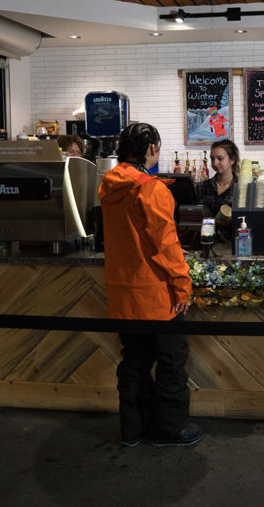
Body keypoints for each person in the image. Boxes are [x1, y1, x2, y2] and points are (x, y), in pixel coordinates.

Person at [98, 122, 202, 447]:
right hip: (156, 296)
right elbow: (165, 246)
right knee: (170, 364)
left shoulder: (109, 186)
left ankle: (132, 430)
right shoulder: (150, 188)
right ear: (152, 149)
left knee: (134, 363)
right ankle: (167, 430)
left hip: (122, 294)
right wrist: (182, 286)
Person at [195, 139, 239, 217]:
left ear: (232, 160)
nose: (215, 163)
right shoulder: (201, 187)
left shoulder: (242, 188)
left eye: (220, 158)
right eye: (212, 159)